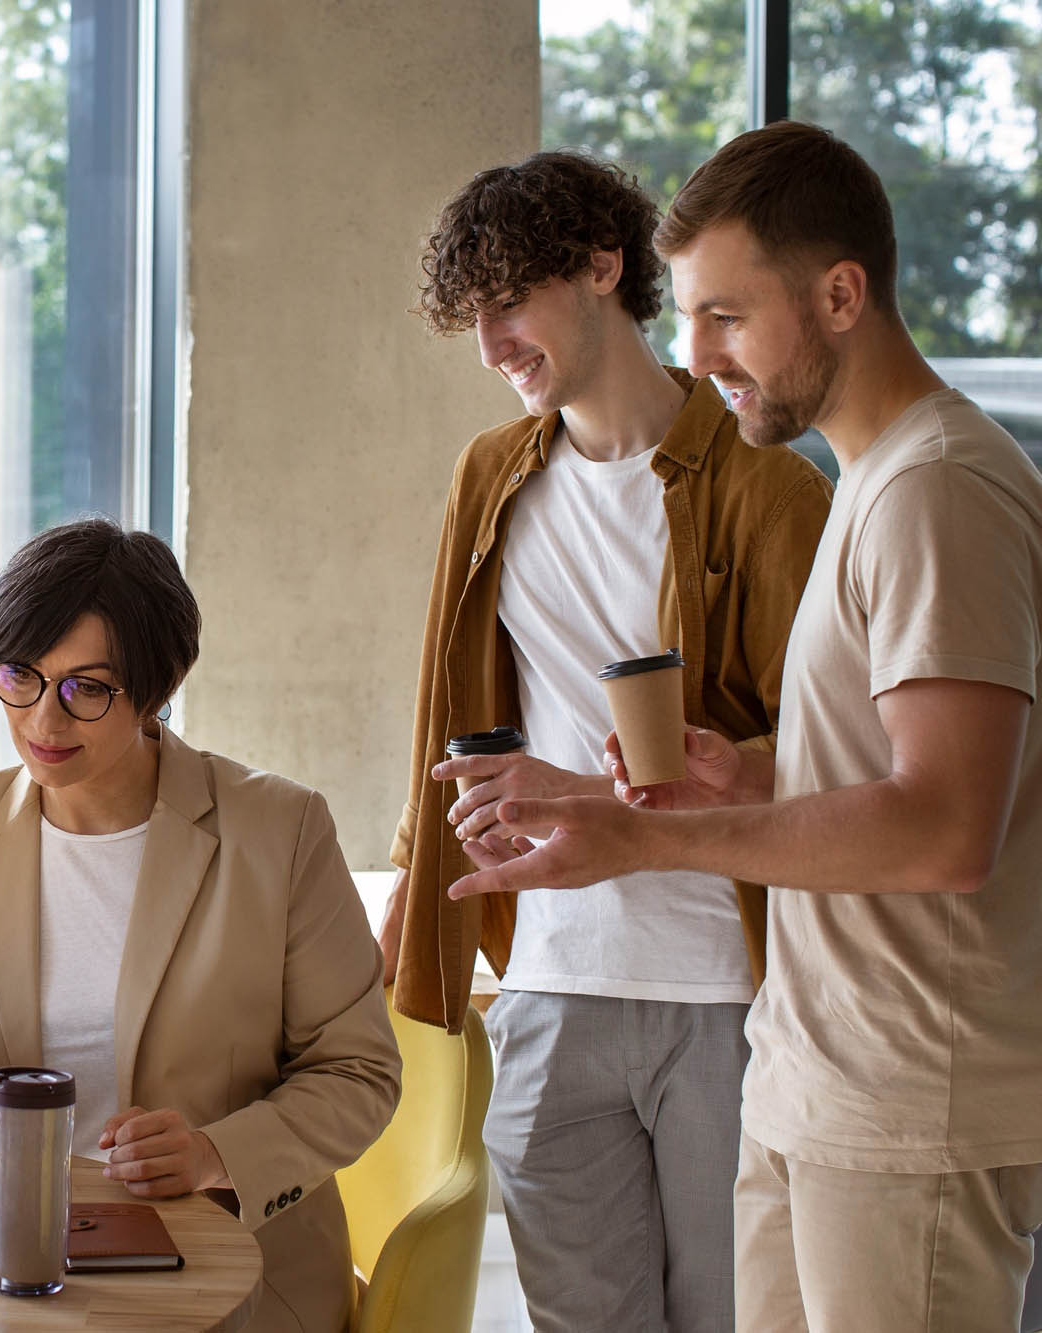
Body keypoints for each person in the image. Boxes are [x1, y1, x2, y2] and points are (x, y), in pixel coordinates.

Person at [448, 121, 1042, 1331]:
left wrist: (643, 841)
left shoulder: (934, 490)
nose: (699, 348)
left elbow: (942, 827)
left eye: (725, 315)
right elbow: (869, 767)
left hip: (903, 1102)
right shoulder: (875, 481)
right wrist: (742, 773)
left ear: (838, 294)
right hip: (815, 1077)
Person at [381, 151, 830, 1331]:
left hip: (724, 990)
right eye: (467, 321)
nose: (489, 347)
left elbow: (839, 756)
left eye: (505, 305)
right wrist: (406, 889)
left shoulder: (768, 485)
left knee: (739, 1317)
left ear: (599, 265)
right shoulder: (489, 477)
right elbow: (444, 710)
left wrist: (604, 788)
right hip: (544, 984)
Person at [0, 518, 401, 1333]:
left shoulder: (279, 831)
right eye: (20, 676)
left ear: (154, 688)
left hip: (222, 1272)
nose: (44, 720)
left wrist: (216, 1153)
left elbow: (357, 1072)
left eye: (86, 687)